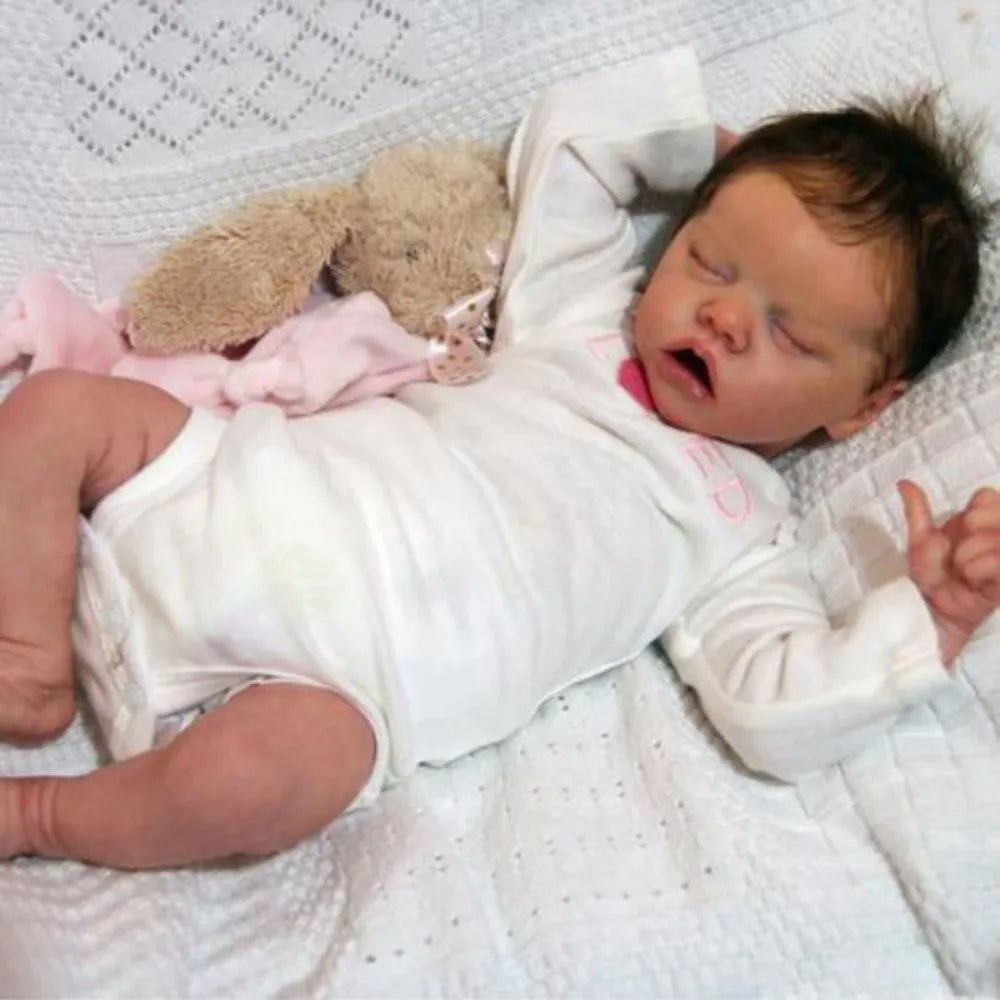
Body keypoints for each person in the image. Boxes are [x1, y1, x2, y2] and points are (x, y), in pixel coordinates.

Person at [0, 47, 995, 870]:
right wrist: (703, 146)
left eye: (791, 332)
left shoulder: (740, 539)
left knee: (257, 783)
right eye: (709, 260)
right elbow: (573, 149)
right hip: (225, 487)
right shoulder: (582, 315)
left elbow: (776, 708)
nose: (724, 316)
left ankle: (40, 815)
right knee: (58, 410)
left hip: (317, 689)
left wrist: (927, 620)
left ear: (865, 407)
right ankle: (28, 653)